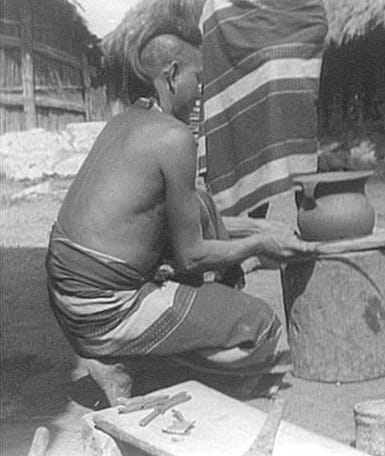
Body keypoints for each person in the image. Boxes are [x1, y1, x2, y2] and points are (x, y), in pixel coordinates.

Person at [45, 34, 317, 405]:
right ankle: (135, 365)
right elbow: (191, 255)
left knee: (201, 204)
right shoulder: (174, 138)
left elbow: (176, 218)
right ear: (172, 75)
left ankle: (137, 350)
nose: (201, 91)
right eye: (198, 78)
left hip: (68, 295)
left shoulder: (126, 121)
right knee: (262, 327)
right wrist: (260, 245)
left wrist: (260, 227)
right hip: (105, 309)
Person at [199, 0, 328, 218]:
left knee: (299, 133)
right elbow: (216, 9)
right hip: (243, 42)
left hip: (297, 33)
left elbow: (312, 12)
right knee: (252, 133)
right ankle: (255, 233)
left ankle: (310, 228)